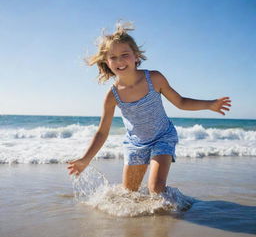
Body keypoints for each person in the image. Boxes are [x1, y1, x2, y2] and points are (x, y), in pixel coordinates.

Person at [67, 22, 231, 194]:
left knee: (156, 190)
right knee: (129, 194)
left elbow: (180, 102)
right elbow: (102, 132)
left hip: (163, 137)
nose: (120, 61)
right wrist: (86, 159)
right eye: (113, 57)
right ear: (106, 62)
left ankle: (173, 207)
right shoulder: (112, 96)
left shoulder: (154, 78)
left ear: (136, 56)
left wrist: (209, 104)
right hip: (135, 144)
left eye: (125, 54)